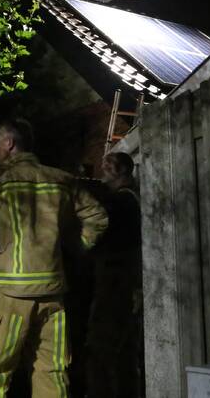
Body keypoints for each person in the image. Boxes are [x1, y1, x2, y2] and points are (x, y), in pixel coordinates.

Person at [0, 118, 109, 397]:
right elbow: (97, 218)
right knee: (52, 373)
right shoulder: (61, 180)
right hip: (52, 294)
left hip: (8, 294)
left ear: (9, 143)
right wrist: (72, 247)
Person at [84, 152, 142, 398]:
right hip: (122, 284)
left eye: (109, 165)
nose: (103, 169)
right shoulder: (128, 199)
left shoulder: (122, 202)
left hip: (115, 284)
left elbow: (102, 234)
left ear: (123, 171)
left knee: (102, 349)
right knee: (123, 352)